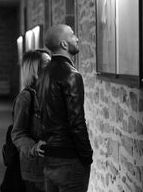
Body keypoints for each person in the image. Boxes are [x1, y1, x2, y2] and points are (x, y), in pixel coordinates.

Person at [36, 24, 93, 192]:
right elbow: (76, 121)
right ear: (64, 44)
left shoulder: (43, 74)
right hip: (69, 157)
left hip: (50, 156)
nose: (77, 38)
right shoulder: (71, 74)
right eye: (73, 35)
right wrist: (86, 155)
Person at [11, 49, 51, 192]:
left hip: (54, 167)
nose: (53, 65)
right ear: (35, 69)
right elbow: (18, 134)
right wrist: (34, 147)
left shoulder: (51, 91)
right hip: (36, 170)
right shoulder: (26, 97)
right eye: (47, 63)